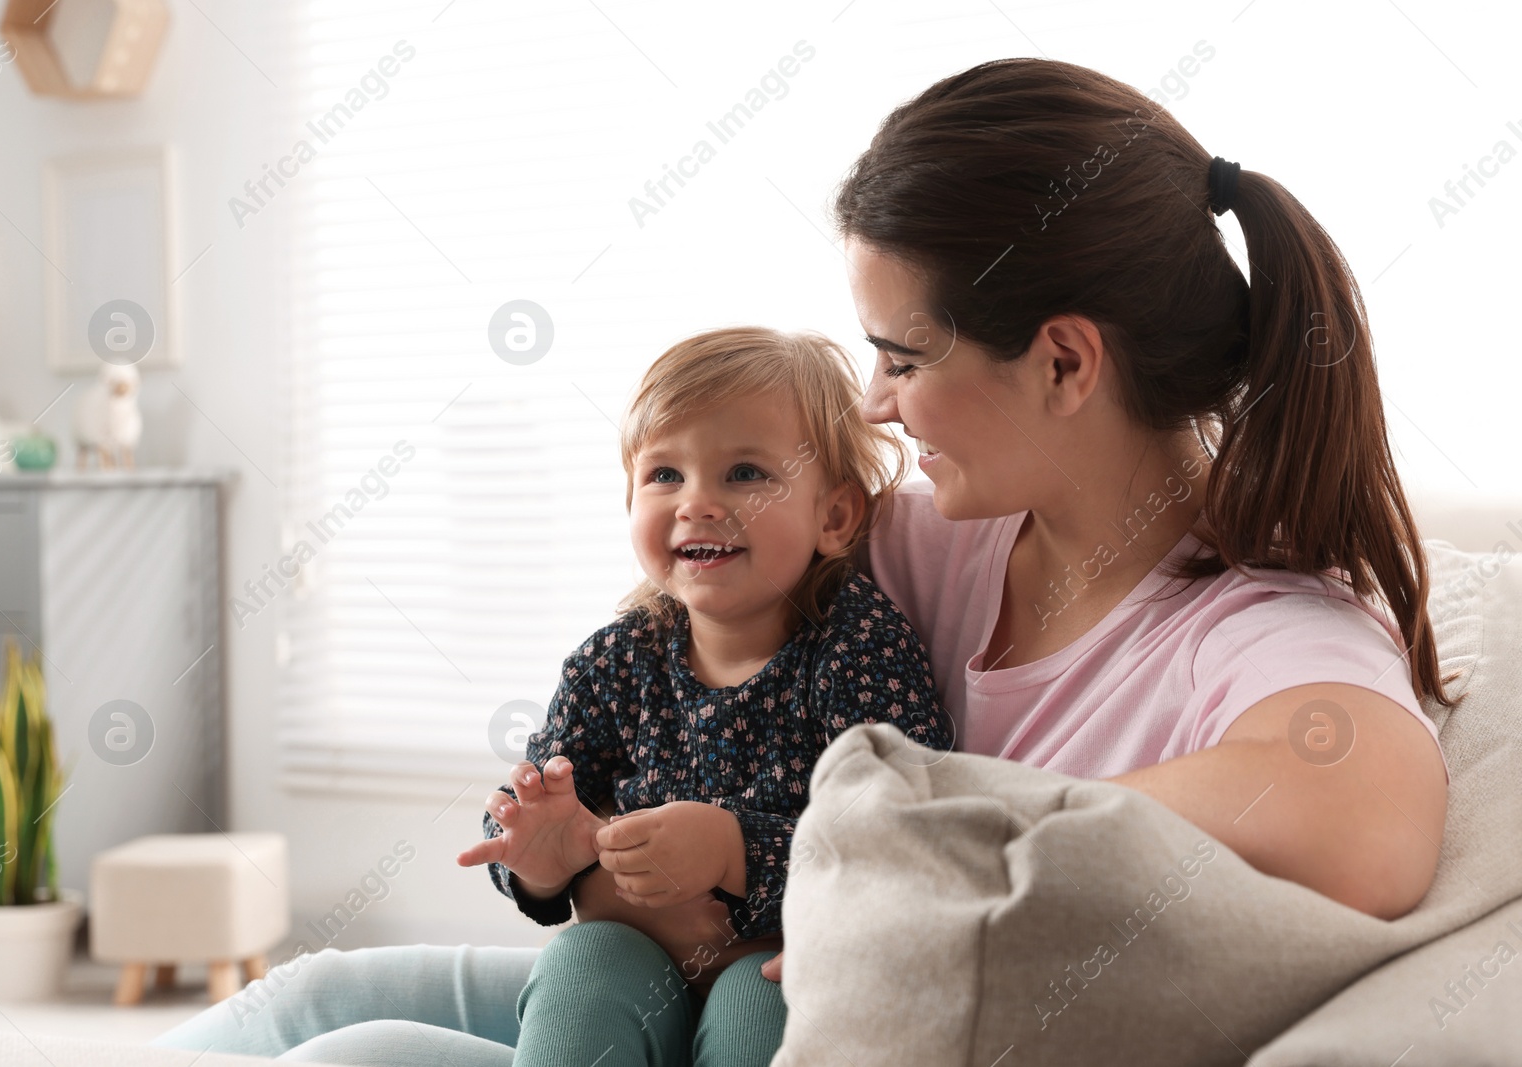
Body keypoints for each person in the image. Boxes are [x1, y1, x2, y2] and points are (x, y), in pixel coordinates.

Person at [154, 55, 1450, 1063]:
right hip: (681, 941)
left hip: (771, 995)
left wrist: (885, 861)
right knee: (307, 996)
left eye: (902, 356)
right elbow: (710, 578)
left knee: (357, 1046)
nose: (877, 404)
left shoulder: (1261, 625)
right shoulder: (950, 530)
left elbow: (1370, 818)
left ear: (1063, 360)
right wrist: (601, 845)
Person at [453, 325, 952, 1067]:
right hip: (631, 955)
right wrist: (539, 859)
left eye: (744, 472)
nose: (697, 503)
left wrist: (733, 849)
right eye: (664, 475)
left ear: (834, 515)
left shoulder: (858, 649)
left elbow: (909, 846)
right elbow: (537, 813)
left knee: (763, 1001)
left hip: (781, 956)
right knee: (583, 968)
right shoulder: (614, 660)